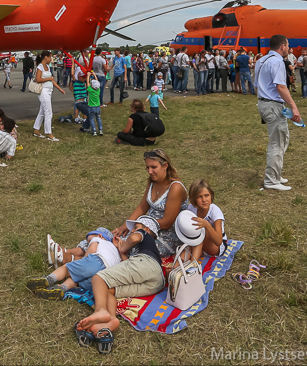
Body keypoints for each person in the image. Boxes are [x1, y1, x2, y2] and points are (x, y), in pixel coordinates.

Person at [76, 215, 165, 353]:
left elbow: (134, 238)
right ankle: (111, 319)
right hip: (156, 282)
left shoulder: (144, 235)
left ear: (146, 229)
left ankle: (100, 310)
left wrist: (124, 247)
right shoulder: (143, 248)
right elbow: (127, 265)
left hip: (145, 264)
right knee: (108, 290)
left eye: (135, 227)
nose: (132, 231)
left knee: (98, 278)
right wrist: (120, 249)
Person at [112, 149, 187, 257]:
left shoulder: (175, 187)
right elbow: (143, 206)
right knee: (116, 239)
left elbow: (167, 222)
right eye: (147, 167)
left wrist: (142, 224)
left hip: (166, 236)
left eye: (153, 167)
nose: (150, 171)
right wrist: (126, 225)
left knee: (133, 247)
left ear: (165, 166)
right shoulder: (152, 181)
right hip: (147, 228)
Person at [254, 35, 301, 191]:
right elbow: (280, 86)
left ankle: (276, 173)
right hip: (272, 104)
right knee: (277, 143)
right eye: (288, 45)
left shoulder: (261, 60)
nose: (288, 48)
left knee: (282, 139)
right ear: (282, 46)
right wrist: (293, 106)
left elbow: (256, 86)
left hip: (265, 103)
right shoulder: (277, 61)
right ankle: (271, 180)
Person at [28, 228, 120, 300]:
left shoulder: (98, 240)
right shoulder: (116, 252)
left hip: (97, 261)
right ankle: (62, 288)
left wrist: (83, 261)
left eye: (89, 241)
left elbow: (92, 249)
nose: (88, 243)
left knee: (67, 269)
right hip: (103, 277)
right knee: (77, 278)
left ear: (100, 235)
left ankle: (48, 279)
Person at [185, 179, 226, 261]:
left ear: (211, 195)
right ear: (194, 198)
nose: (204, 200)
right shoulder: (191, 209)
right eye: (199, 197)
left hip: (216, 246)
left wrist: (207, 225)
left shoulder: (215, 211)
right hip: (197, 241)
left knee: (202, 231)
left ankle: (193, 263)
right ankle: (176, 266)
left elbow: (219, 241)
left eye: (206, 195)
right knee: (186, 248)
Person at [32, 51, 64, 142]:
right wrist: (49, 79)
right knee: (48, 112)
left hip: (49, 91)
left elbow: (52, 80)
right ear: (46, 57)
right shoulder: (40, 67)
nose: (51, 59)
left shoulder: (47, 67)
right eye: (50, 57)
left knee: (42, 111)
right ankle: (49, 133)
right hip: (43, 91)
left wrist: (59, 89)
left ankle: (36, 129)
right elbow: (38, 79)